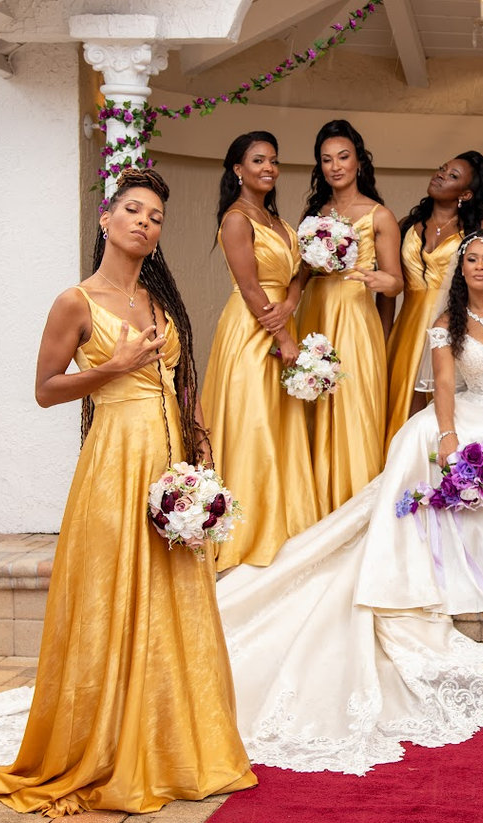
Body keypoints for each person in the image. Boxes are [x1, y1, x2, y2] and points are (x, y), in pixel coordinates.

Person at [0, 229, 483, 779]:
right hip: (470, 414)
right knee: (436, 451)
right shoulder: (445, 326)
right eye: (468, 259)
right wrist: (444, 433)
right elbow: (443, 387)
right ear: (460, 269)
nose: (478, 267)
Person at [0, 169, 256, 816]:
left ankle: (174, 747)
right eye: (133, 210)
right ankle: (107, 744)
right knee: (114, 595)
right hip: (114, 465)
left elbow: (181, 382)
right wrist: (110, 368)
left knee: (174, 601)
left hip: (170, 471)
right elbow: (45, 389)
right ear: (106, 219)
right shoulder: (74, 302)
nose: (144, 223)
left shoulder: (160, 302)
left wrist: (202, 452)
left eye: (156, 217)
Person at [202, 131, 319, 568]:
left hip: (279, 317)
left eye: (273, 160)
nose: (268, 167)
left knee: (278, 422)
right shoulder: (236, 219)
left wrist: (291, 303)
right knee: (253, 424)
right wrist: (283, 336)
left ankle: (281, 523)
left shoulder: (278, 221)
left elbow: (298, 273)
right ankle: (247, 533)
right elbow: (250, 287)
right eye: (258, 160)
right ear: (238, 169)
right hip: (251, 329)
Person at [297, 119, 403, 517]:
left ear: (359, 161)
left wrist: (380, 281)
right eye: (326, 160)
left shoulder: (379, 216)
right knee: (312, 401)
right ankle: (315, 512)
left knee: (353, 409)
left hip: (356, 319)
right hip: (315, 315)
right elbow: (302, 274)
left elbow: (396, 283)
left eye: (343, 157)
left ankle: (355, 513)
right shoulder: (314, 214)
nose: (335, 166)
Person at [382, 151, 483, 450]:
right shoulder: (406, 225)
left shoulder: (479, 230)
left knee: (444, 418)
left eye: (453, 176)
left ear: (466, 194)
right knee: (402, 414)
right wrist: (383, 339)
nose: (441, 175)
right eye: (442, 169)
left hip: (454, 332)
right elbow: (388, 292)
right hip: (406, 335)